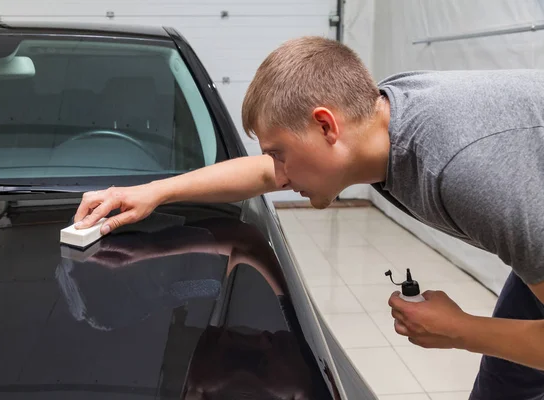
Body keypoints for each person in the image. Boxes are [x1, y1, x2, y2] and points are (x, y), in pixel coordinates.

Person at [73, 36, 544, 399]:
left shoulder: (463, 168)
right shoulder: (378, 121)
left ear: (325, 125)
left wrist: (459, 330)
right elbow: (260, 173)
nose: (277, 174)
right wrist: (154, 191)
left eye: (280, 153)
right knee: (507, 381)